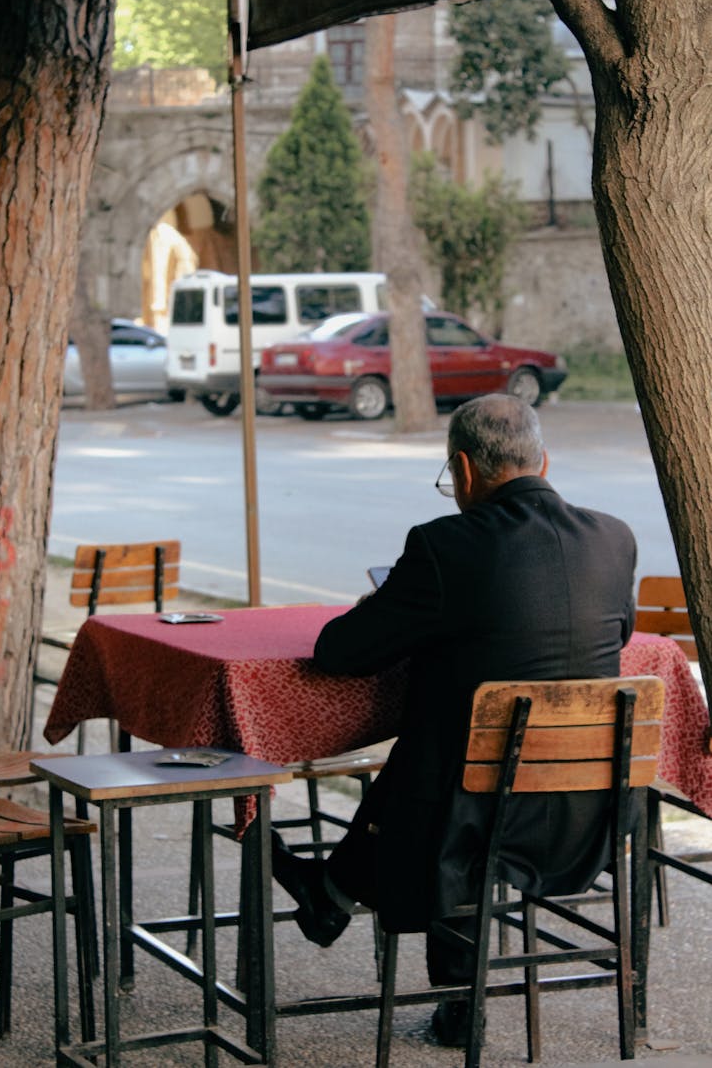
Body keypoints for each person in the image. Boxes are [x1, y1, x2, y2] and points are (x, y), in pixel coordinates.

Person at [272, 393, 637, 1047]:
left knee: (443, 743)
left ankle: (340, 895)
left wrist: (392, 606)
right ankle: (335, 894)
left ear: (463, 472)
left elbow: (340, 653)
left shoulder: (443, 546)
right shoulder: (615, 538)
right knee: (457, 716)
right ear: (544, 461)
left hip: (469, 821)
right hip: (591, 809)